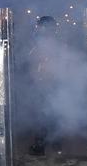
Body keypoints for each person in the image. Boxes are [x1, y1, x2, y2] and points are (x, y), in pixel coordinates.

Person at [26, 16, 62, 156]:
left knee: (44, 115)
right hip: (47, 82)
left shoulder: (44, 41)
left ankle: (42, 145)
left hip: (46, 82)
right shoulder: (47, 40)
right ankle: (55, 143)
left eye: (40, 26)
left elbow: (36, 59)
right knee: (50, 114)